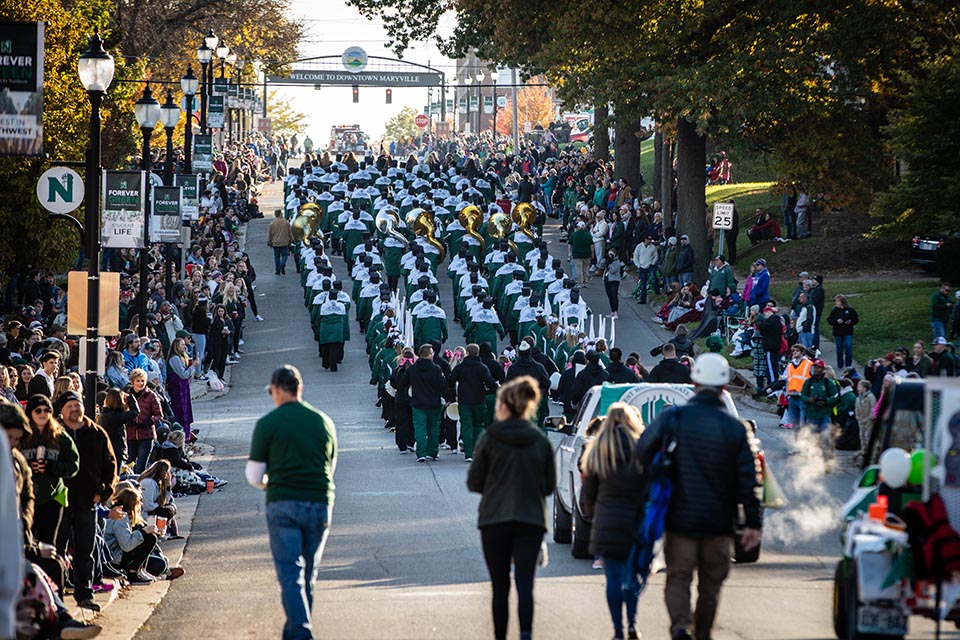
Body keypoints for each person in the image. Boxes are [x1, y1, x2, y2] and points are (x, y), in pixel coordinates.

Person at [635, 354, 762, 640]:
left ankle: (680, 627)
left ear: (694, 382)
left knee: (678, 577)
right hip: (719, 522)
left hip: (679, 518)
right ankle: (703, 632)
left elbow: (642, 450)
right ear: (724, 387)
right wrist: (752, 523)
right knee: (711, 585)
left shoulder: (673, 418)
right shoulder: (734, 428)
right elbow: (748, 479)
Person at [247, 365, 338, 640]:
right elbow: (330, 466)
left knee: (290, 574)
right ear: (300, 388)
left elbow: (254, 475)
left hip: (283, 501)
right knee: (308, 574)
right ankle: (294, 631)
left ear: (276, 389)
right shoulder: (323, 421)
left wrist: (269, 483)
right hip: (320, 501)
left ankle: (301, 632)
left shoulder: (268, 424)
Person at [466, 377, 556, 640]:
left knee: (500, 585)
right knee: (526, 584)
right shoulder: (540, 440)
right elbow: (549, 485)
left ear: (503, 405)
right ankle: (526, 634)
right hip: (530, 518)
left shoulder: (490, 438)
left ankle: (500, 636)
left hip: (495, 518)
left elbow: (474, 481)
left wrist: (494, 488)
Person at [580, 403, 646, 640]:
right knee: (633, 577)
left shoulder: (598, 450)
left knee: (613, 578)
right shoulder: (642, 449)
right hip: (636, 522)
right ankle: (633, 623)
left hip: (607, 520)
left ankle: (618, 630)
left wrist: (594, 515)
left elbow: (588, 493)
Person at [58, 391, 117, 612]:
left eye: (77, 405)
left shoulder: (96, 433)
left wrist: (103, 493)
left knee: (85, 551)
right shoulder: (55, 434)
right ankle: (56, 595)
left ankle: (85, 594)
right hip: (60, 503)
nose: (74, 409)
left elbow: (110, 465)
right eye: (69, 406)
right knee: (57, 551)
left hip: (87, 502)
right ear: (62, 411)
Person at [19, 394, 79, 549]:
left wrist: (52, 467)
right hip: (24, 498)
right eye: (38, 410)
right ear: (30, 413)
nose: (42, 414)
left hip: (53, 497)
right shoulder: (21, 436)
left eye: (46, 410)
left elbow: (73, 465)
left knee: (48, 545)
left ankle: (49, 572)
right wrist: (28, 467)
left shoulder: (60, 437)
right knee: (25, 544)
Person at [399, 344, 450, 462]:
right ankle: (432, 452)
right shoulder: (436, 369)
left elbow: (402, 382)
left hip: (418, 403)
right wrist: (448, 398)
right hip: (434, 403)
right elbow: (443, 386)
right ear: (428, 355)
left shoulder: (413, 368)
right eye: (432, 353)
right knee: (433, 428)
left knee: (420, 427)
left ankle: (421, 452)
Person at [448, 344, 499, 462]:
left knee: (466, 426)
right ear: (477, 353)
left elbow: (451, 380)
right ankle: (477, 449)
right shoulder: (482, 367)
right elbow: (490, 382)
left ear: (467, 353)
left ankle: (468, 453)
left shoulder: (460, 367)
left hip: (464, 400)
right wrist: (496, 386)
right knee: (479, 425)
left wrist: (451, 393)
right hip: (479, 400)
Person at [800, 359, 839, 472]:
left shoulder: (828, 383)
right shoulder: (808, 382)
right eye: (815, 367)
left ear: (823, 369)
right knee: (812, 440)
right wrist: (809, 399)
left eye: (818, 367)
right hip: (811, 414)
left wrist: (826, 401)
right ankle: (813, 463)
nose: (816, 369)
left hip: (824, 415)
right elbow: (802, 395)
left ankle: (827, 463)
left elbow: (836, 397)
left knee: (825, 438)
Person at [126, 368, 163, 474]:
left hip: (146, 435)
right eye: (138, 381)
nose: (140, 383)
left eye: (142, 381)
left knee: (141, 467)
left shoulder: (151, 396)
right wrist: (127, 419)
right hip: (130, 435)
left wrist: (149, 421)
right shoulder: (126, 396)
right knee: (129, 465)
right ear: (132, 382)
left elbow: (159, 415)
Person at [826, 294, 859, 369]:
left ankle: (848, 364)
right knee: (839, 348)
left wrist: (850, 321)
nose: (836, 303)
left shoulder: (850, 310)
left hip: (848, 331)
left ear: (842, 302)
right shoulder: (834, 310)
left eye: (838, 301)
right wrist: (836, 321)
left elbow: (856, 319)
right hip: (838, 332)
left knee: (848, 347)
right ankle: (840, 364)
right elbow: (830, 320)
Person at [632, 236, 659, 304]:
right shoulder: (639, 246)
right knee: (643, 283)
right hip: (642, 266)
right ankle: (643, 299)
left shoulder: (653, 247)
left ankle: (657, 291)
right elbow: (636, 256)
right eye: (648, 239)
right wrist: (638, 265)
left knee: (654, 278)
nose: (650, 241)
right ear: (645, 239)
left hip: (650, 265)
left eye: (650, 239)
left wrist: (653, 263)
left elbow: (656, 256)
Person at [268, 208, 295, 275]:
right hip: (285, 242)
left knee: (276, 257)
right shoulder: (286, 223)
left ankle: (277, 271)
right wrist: (292, 240)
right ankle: (282, 264)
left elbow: (270, 234)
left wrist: (270, 242)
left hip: (275, 242)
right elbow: (290, 233)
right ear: (280, 214)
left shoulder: (272, 223)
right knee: (285, 255)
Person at [603, 250, 623, 319]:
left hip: (614, 280)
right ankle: (612, 311)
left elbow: (613, 270)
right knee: (610, 296)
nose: (610, 255)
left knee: (614, 296)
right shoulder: (607, 260)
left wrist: (610, 263)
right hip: (607, 280)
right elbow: (600, 265)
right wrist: (605, 259)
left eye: (611, 254)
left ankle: (615, 312)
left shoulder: (617, 262)